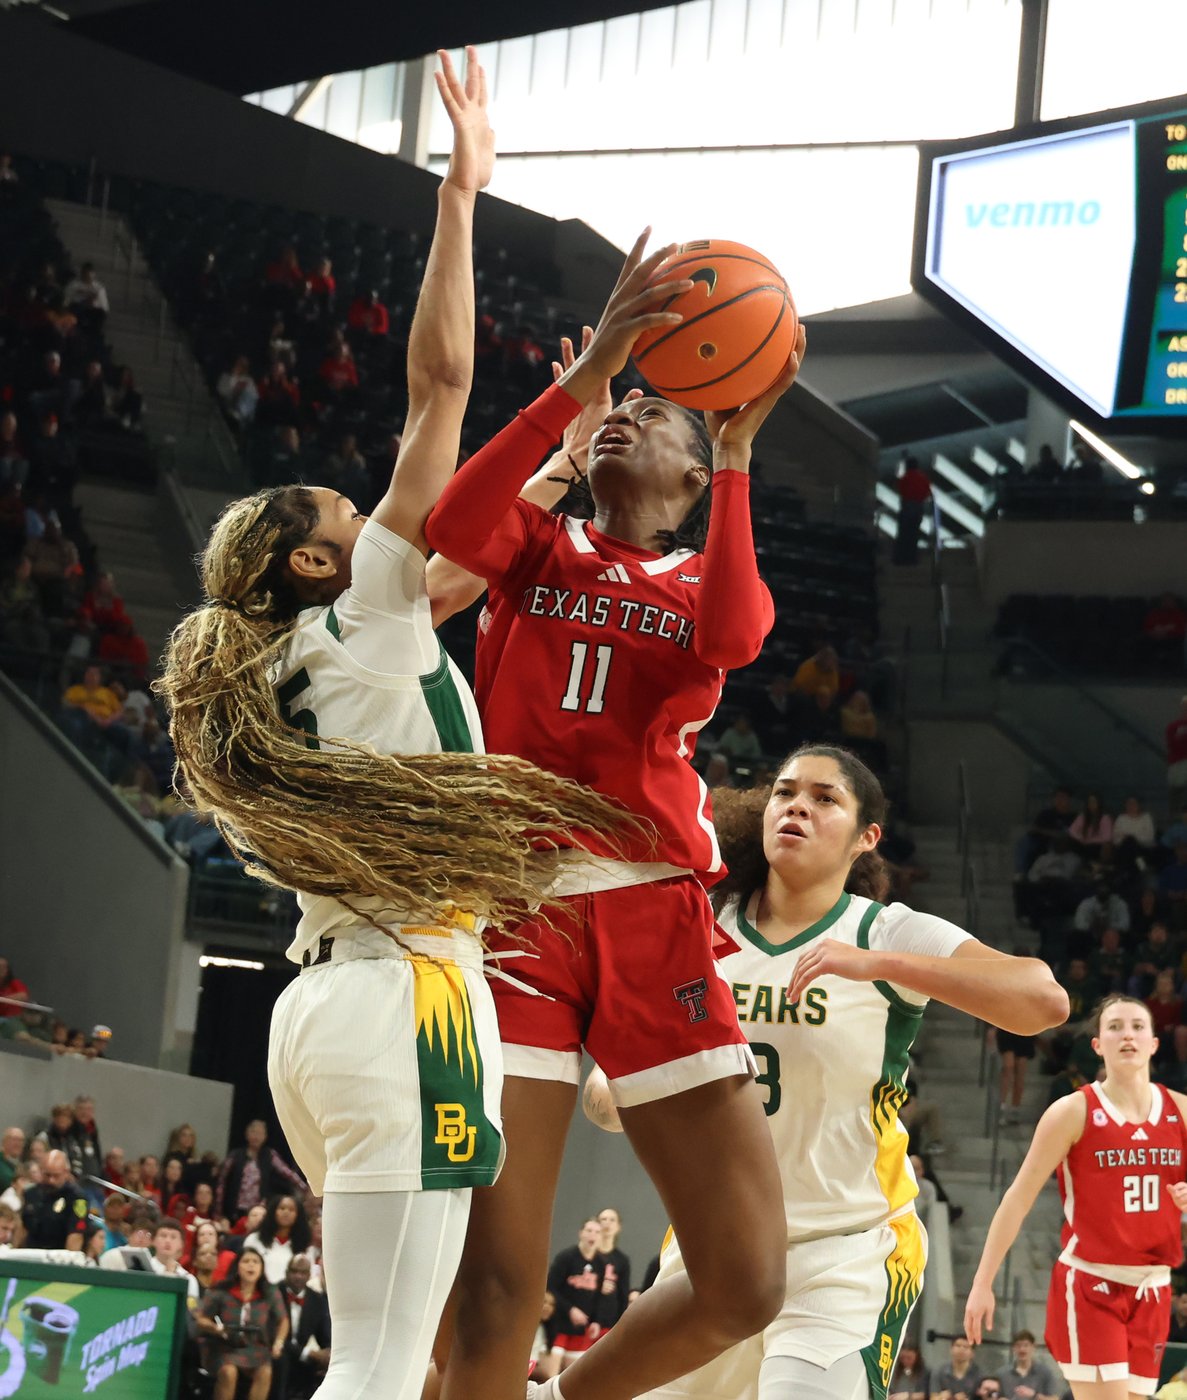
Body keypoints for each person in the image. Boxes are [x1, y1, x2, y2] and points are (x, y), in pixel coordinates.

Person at [155, 51, 629, 1400]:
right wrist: (460, 197)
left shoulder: (307, 659)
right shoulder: (359, 610)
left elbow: (461, 573)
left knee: (374, 1358)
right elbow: (438, 386)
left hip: (327, 1006)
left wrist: (569, 450)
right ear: (317, 563)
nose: (372, 519)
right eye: (347, 516)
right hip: (405, 996)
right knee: (370, 1369)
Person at [426, 229, 808, 1400]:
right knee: (492, 1288)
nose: (624, 415)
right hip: (515, 914)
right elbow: (448, 527)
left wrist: (736, 454)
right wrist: (583, 380)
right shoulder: (533, 543)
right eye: (618, 408)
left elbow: (734, 634)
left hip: (653, 916)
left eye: (651, 413)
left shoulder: (699, 579)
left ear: (690, 483)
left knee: (745, 1280)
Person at [600, 744, 1066, 1400]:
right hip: (715, 1244)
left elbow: (1043, 1001)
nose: (797, 806)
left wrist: (881, 966)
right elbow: (618, 1081)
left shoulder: (885, 931)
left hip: (846, 1248)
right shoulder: (701, 924)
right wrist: (620, 1090)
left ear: (865, 837)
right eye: (785, 792)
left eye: (824, 799)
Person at [966, 996, 1187, 1399]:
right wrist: (983, 1281)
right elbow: (1018, 1197)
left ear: (1155, 1043)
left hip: (1154, 1289)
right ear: (1097, 1045)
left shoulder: (1181, 1110)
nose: (1127, 1035)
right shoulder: (1072, 1111)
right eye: (1115, 1027)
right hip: (1092, 1286)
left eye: (1138, 1026)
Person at [197, 1246, 287, 1400]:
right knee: (229, 1372)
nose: (251, 1265)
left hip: (256, 1347)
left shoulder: (270, 1293)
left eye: (256, 1262)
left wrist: (279, 1342)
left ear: (262, 1269)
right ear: (237, 1267)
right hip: (224, 1346)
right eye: (246, 1261)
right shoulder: (221, 1291)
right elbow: (201, 1319)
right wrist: (215, 1328)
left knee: (265, 1372)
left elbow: (283, 1320)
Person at [547, 1219, 612, 1369]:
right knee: (550, 1372)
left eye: (597, 1232)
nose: (593, 1235)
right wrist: (570, 1309)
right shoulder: (566, 1257)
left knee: (572, 1374)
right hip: (559, 1324)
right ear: (581, 1233)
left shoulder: (601, 1263)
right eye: (589, 1230)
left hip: (581, 1328)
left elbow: (599, 1296)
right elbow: (550, 1288)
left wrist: (596, 1321)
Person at [272, 1253, 331, 1399]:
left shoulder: (316, 1299)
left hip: (302, 1356)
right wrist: (308, 1353)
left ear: (309, 1275)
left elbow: (324, 1337)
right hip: (276, 1351)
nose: (298, 1276)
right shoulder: (274, 1293)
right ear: (286, 1272)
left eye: (303, 1272)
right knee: (283, 1360)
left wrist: (328, 1354)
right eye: (294, 1271)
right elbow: (272, 1335)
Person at [243, 1192, 311, 1284]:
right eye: (282, 1208)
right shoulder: (254, 1239)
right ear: (273, 1212)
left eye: (291, 1210)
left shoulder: (304, 1246)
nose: (286, 1212)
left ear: (298, 1215)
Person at [990, 1332, 1058, 1400]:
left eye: (1026, 1345)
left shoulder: (1045, 1373)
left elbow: (1055, 1398)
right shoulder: (1002, 1374)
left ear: (1033, 1347)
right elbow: (991, 1396)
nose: (1022, 1349)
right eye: (1018, 1346)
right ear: (1013, 1348)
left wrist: (1034, 1395)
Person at [893, 456, 932, 565]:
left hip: (906, 507)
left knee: (903, 534)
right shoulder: (923, 478)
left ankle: (901, 559)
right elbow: (927, 493)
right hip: (918, 508)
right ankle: (912, 559)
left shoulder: (905, 478)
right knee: (914, 534)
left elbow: (900, 490)